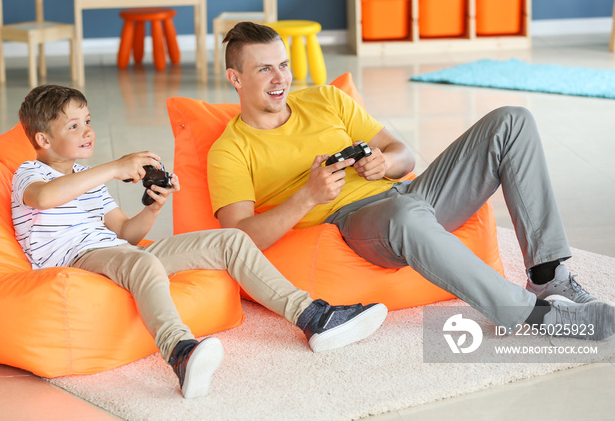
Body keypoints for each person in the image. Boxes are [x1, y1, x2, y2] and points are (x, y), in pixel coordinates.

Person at [208, 21, 615, 342]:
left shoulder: (325, 99)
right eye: (264, 68)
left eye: (283, 64)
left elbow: (402, 154)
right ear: (236, 78)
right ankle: (530, 316)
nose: (280, 78)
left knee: (512, 120)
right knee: (404, 212)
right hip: (359, 224)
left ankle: (548, 278)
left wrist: (384, 163)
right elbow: (238, 238)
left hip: (408, 194)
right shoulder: (230, 150)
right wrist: (308, 197)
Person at [11, 84, 388, 399]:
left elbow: (126, 234)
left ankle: (314, 318)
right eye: (74, 126)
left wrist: (152, 208)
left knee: (231, 241)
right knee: (142, 262)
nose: (87, 131)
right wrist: (113, 168)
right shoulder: (29, 173)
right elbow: (44, 198)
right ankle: (180, 351)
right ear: (43, 139)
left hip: (115, 252)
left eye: (88, 121)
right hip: (74, 262)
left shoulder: (86, 178)